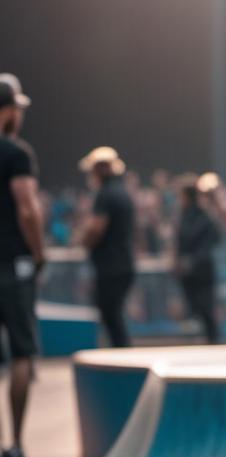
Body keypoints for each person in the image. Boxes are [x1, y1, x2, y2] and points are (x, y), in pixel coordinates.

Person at [0, 75, 44, 457]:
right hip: (11, 264)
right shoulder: (16, 153)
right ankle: (14, 447)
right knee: (20, 354)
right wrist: (39, 251)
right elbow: (27, 208)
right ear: (9, 111)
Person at [78, 147, 135, 348]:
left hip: (111, 266)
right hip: (122, 263)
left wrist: (82, 241)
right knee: (114, 315)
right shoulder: (122, 192)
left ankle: (124, 361)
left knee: (111, 316)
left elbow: (95, 229)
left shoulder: (106, 194)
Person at [174, 178, 222, 344]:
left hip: (200, 269)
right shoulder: (192, 215)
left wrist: (192, 259)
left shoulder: (200, 216)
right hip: (194, 268)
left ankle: (212, 341)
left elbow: (213, 238)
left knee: (204, 307)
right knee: (197, 308)